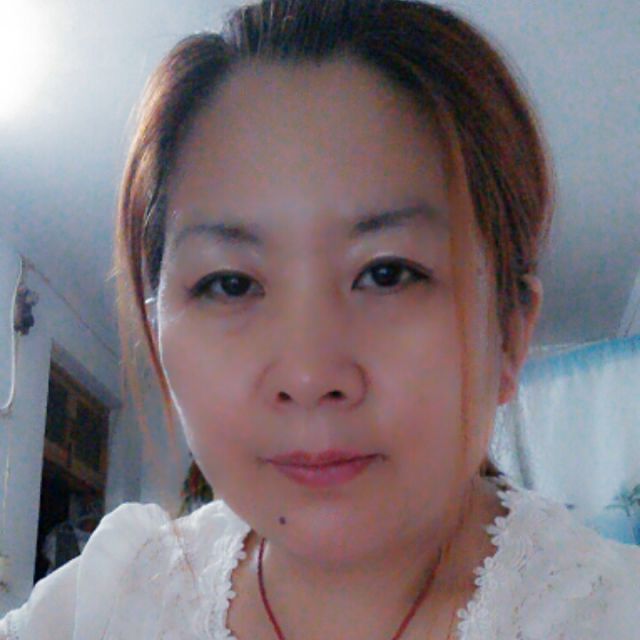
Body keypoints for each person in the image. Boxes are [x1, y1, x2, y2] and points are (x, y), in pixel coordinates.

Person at [2, 1, 639, 638]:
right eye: (230, 283)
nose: (308, 376)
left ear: (512, 333)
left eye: (387, 273)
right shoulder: (103, 604)